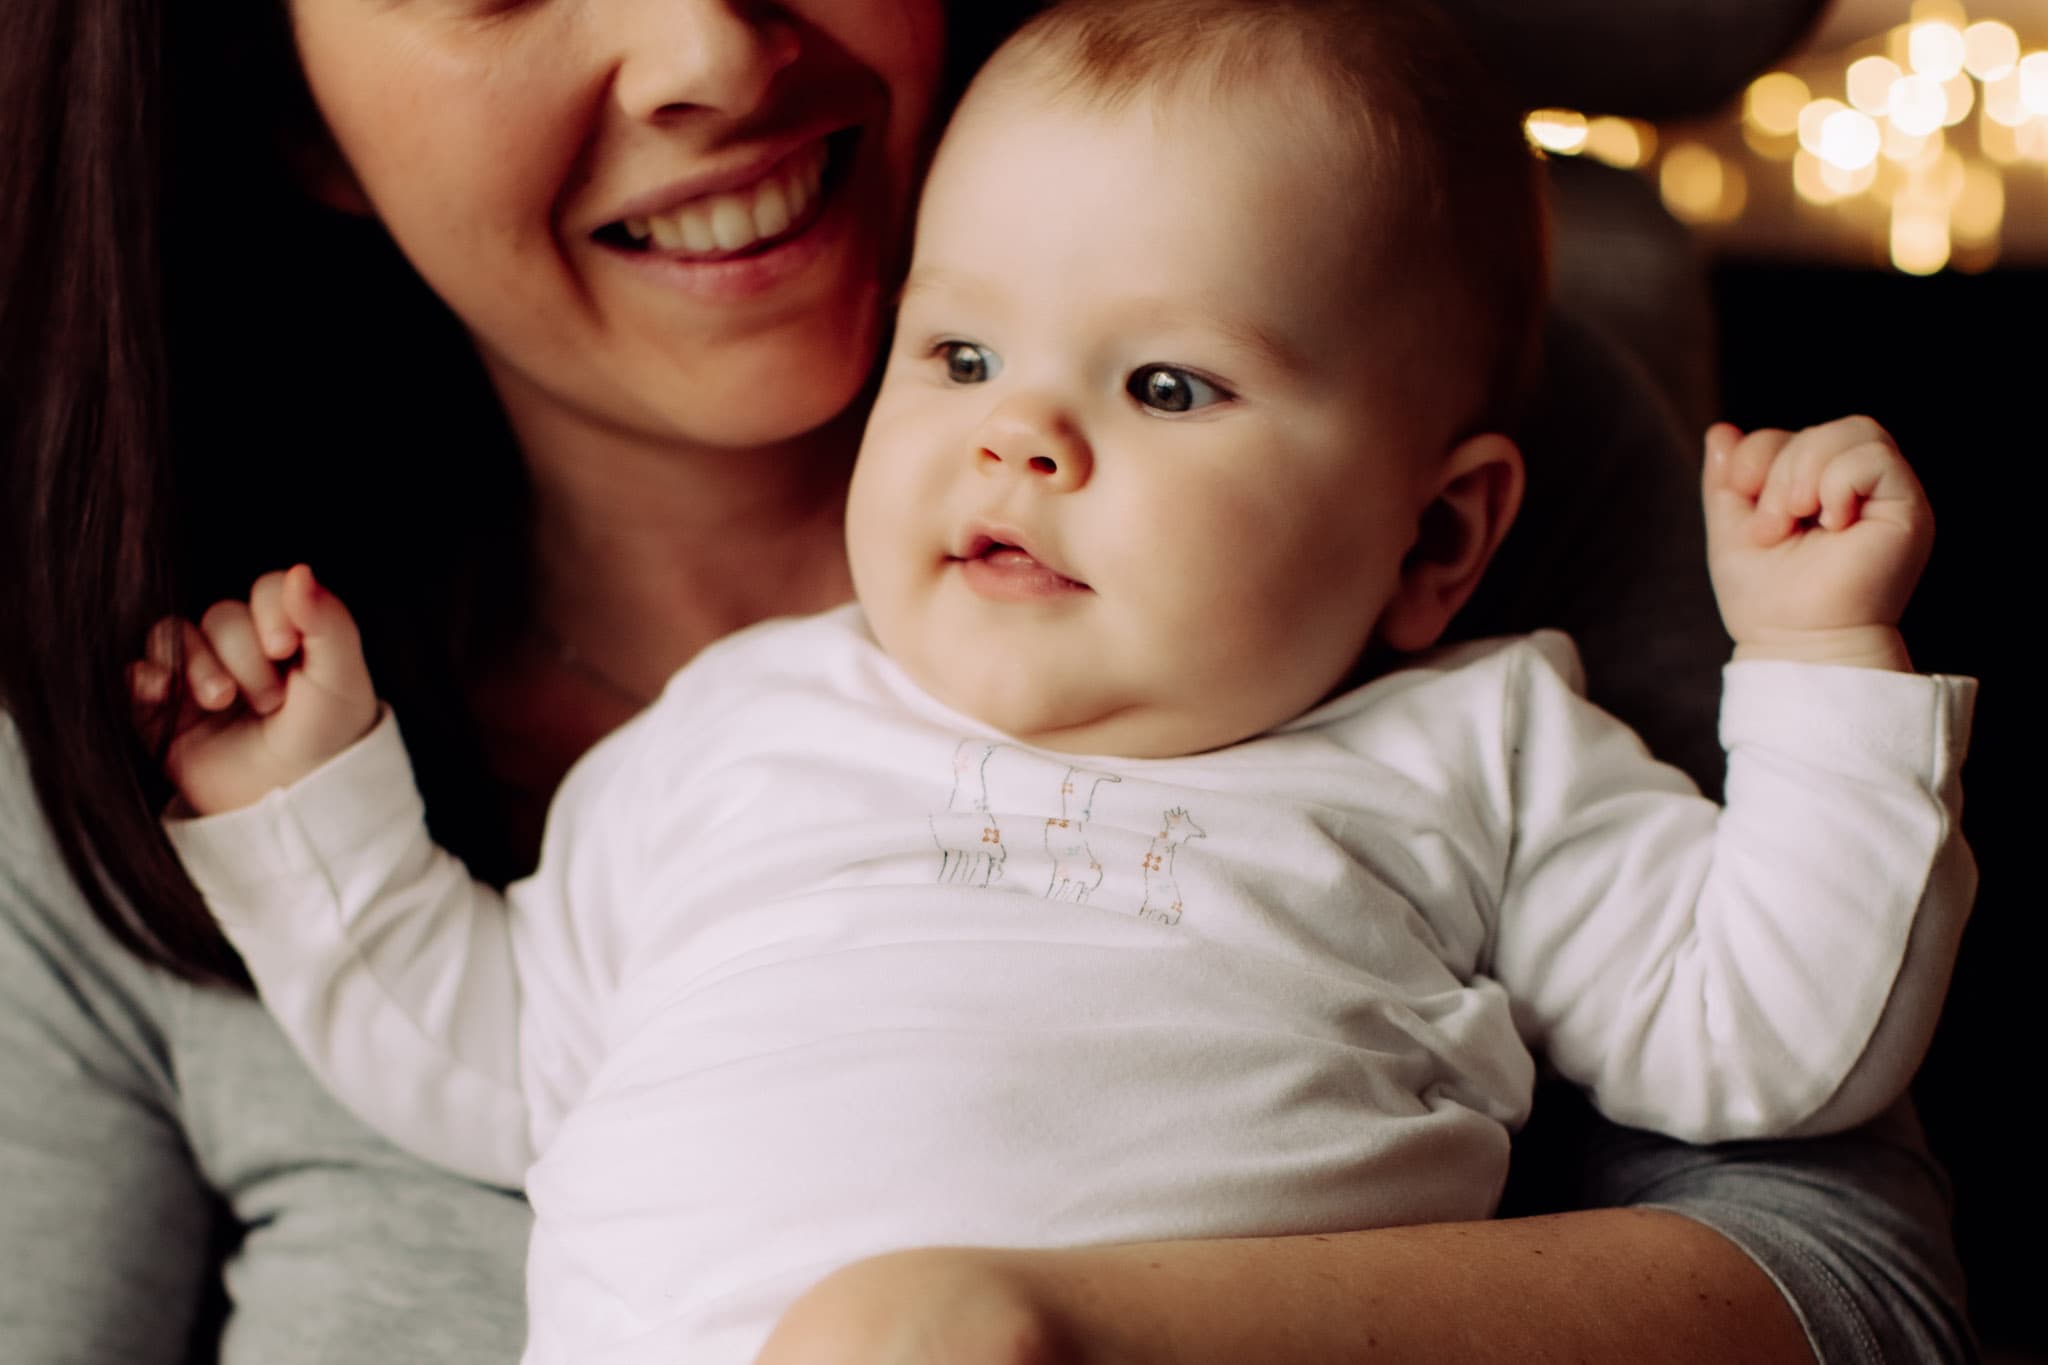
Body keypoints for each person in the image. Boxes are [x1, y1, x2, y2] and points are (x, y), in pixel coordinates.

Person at [0, 3, 1977, 1365]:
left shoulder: (1475, 731)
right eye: (959, 362)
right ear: (284, 106)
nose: (1025, 438)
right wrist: (305, 811)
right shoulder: (733, 738)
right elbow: (496, 1066)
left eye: (1167, 387)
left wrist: (1817, 674)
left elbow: (1779, 1080)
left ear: (1432, 541)